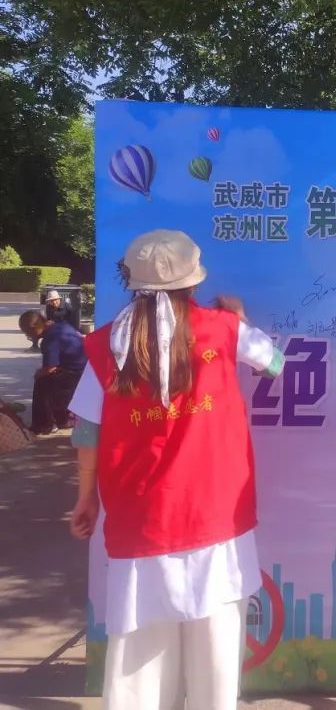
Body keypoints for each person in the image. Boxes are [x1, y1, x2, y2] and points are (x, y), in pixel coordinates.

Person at [65, 229, 283, 710]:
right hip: (216, 520)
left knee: (138, 658)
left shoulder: (106, 345)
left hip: (140, 521)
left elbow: (87, 433)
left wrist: (86, 498)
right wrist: (241, 319)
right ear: (193, 282)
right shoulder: (223, 329)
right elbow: (275, 364)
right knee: (215, 653)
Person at [18, 310, 86, 435]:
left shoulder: (50, 338)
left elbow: (50, 367)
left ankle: (44, 424)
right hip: (83, 370)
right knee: (47, 379)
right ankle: (62, 419)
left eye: (27, 332)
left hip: (75, 374)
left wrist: (38, 374)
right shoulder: (60, 325)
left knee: (41, 382)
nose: (27, 335)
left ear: (34, 328)